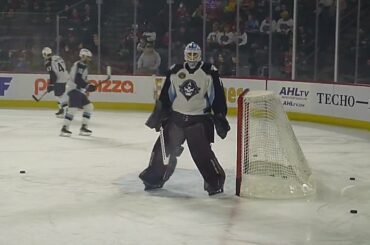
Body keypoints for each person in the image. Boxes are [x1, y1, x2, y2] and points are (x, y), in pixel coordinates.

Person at [139, 42, 230, 196]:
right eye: (189, 55)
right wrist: (159, 114)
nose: (192, 58)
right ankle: (154, 178)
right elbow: (166, 95)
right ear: (185, 55)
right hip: (176, 119)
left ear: (200, 55)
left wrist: (220, 114)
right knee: (163, 150)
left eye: (195, 55)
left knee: (202, 155)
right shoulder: (175, 71)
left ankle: (215, 182)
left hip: (199, 120)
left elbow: (218, 96)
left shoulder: (209, 72)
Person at [60, 48, 95, 137]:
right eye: (88, 57)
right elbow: (77, 79)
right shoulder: (80, 65)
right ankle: (64, 128)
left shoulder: (81, 65)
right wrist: (87, 86)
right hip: (74, 89)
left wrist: (87, 85)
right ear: (84, 57)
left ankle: (83, 127)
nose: (89, 60)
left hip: (77, 90)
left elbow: (80, 79)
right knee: (73, 108)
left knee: (89, 107)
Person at [41, 47, 69, 118]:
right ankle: (61, 109)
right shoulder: (57, 57)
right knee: (58, 94)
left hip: (59, 79)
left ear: (45, 54)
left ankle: (66, 111)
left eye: (43, 55)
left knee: (59, 96)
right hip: (65, 76)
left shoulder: (48, 62)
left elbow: (53, 75)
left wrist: (51, 84)